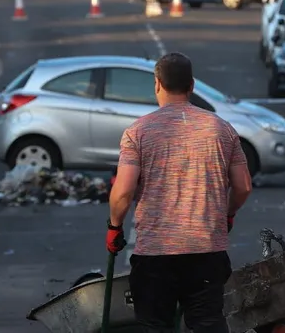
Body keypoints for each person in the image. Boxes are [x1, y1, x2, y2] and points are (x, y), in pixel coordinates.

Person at [107, 52, 253, 333]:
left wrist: (114, 227)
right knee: (208, 323)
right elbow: (243, 186)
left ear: (157, 84)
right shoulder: (221, 129)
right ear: (192, 85)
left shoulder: (138, 132)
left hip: (155, 255)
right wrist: (228, 214)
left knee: (155, 325)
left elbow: (122, 192)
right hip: (206, 250)